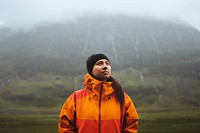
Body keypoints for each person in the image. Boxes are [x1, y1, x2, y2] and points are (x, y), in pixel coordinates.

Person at [58, 53, 139, 133]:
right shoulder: (76, 98)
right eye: (99, 64)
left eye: (107, 64)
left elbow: (131, 126)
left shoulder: (123, 98)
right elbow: (65, 126)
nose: (105, 66)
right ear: (91, 71)